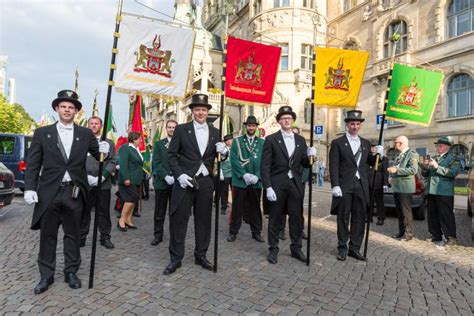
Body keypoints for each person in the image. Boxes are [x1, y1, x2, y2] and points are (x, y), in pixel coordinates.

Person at [24, 90, 110, 294]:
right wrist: (29, 188)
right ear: (57, 108)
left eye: (71, 107)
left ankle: (71, 271)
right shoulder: (42, 133)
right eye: (63, 106)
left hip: (75, 192)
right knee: (48, 236)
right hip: (49, 193)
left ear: (77, 112)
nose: (67, 110)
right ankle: (46, 275)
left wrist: (104, 151)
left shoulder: (85, 134)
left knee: (73, 234)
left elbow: (98, 157)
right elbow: (33, 164)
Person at [163, 93, 228, 275]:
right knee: (179, 220)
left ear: (208, 112)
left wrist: (224, 153)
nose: (200, 112)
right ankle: (176, 258)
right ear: (192, 111)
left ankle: (201, 255)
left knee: (204, 220)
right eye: (197, 109)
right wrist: (180, 175)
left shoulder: (215, 132)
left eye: (204, 110)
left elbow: (220, 156)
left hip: (206, 182)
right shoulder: (182, 129)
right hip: (185, 181)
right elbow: (171, 155)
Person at [261, 106, 316, 264]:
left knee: (296, 217)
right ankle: (273, 249)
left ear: (293, 120)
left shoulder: (300, 140)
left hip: (295, 184)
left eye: (289, 118)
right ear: (279, 121)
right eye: (283, 118)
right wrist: (268, 187)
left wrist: (311, 157)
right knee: (275, 218)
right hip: (277, 184)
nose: (286, 121)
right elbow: (265, 166)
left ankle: (296, 247)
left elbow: (304, 164)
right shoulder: (271, 139)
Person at [329, 110, 381, 261]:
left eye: (358, 124)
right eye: (352, 124)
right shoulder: (338, 143)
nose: (355, 126)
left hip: (361, 185)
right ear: (347, 125)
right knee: (343, 218)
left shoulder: (365, 143)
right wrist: (335, 185)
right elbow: (334, 165)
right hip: (344, 186)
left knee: (359, 218)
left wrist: (379, 155)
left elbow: (371, 163)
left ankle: (355, 248)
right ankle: (342, 248)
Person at [79, 116, 116, 249]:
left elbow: (112, 161)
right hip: (85, 182)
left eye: (96, 124)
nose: (94, 126)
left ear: (101, 126)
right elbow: (75, 161)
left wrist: (103, 177)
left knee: (103, 212)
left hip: (103, 183)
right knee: (84, 211)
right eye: (91, 123)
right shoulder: (81, 141)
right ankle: (81, 237)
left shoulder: (109, 143)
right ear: (88, 125)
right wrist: (84, 176)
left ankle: (105, 237)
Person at [227, 115, 265, 243]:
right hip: (240, 181)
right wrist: (244, 175)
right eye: (249, 125)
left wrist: (257, 176)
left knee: (255, 207)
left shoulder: (262, 143)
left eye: (253, 125)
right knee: (237, 207)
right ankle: (233, 232)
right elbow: (233, 159)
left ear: (256, 127)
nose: (251, 127)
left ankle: (256, 232)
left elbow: (265, 162)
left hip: (256, 182)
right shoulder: (237, 141)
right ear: (246, 127)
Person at [421, 136, 461, 247]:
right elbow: (426, 174)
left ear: (447, 147)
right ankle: (436, 236)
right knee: (432, 214)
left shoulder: (453, 159)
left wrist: (437, 167)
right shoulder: (434, 158)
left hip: (444, 192)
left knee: (446, 215)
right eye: (437, 145)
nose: (438, 147)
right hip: (432, 191)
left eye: (440, 145)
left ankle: (451, 238)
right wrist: (424, 167)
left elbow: (453, 173)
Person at [387, 135, 419, 241]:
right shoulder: (399, 155)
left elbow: (413, 170)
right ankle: (401, 231)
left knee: (406, 212)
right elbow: (397, 167)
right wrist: (392, 177)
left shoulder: (412, 154)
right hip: (397, 187)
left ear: (401, 143)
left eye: (395, 142)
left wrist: (396, 171)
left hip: (405, 187)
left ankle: (408, 234)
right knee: (399, 212)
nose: (394, 144)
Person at [151, 119, 177, 246]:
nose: (172, 129)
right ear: (166, 129)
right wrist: (166, 176)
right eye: (170, 127)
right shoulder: (160, 144)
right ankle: (157, 235)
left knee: (175, 211)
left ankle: (175, 235)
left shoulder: (181, 144)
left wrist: (176, 176)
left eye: (174, 127)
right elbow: (156, 162)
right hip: (162, 182)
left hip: (177, 183)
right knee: (159, 211)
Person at [117, 131, 144, 231]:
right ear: (134, 139)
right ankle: (121, 220)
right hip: (128, 179)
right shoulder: (125, 147)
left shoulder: (136, 149)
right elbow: (123, 164)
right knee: (129, 199)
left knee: (133, 200)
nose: (141, 140)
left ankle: (128, 219)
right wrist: (126, 178)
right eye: (139, 139)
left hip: (136, 179)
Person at [368, 139, 389, 226]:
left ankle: (381, 218)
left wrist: (385, 183)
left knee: (379, 202)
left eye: (375, 147)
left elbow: (385, 172)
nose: (373, 148)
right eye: (372, 147)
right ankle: (369, 217)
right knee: (369, 201)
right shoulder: (368, 157)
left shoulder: (383, 158)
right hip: (368, 182)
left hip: (378, 183)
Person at [219, 134, 233, 215]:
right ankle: (223, 207)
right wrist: (220, 171)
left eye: (230, 140)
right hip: (224, 173)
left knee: (234, 191)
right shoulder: (222, 149)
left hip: (233, 173)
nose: (229, 141)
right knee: (224, 192)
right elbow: (220, 160)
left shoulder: (235, 149)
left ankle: (235, 207)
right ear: (225, 142)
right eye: (227, 140)